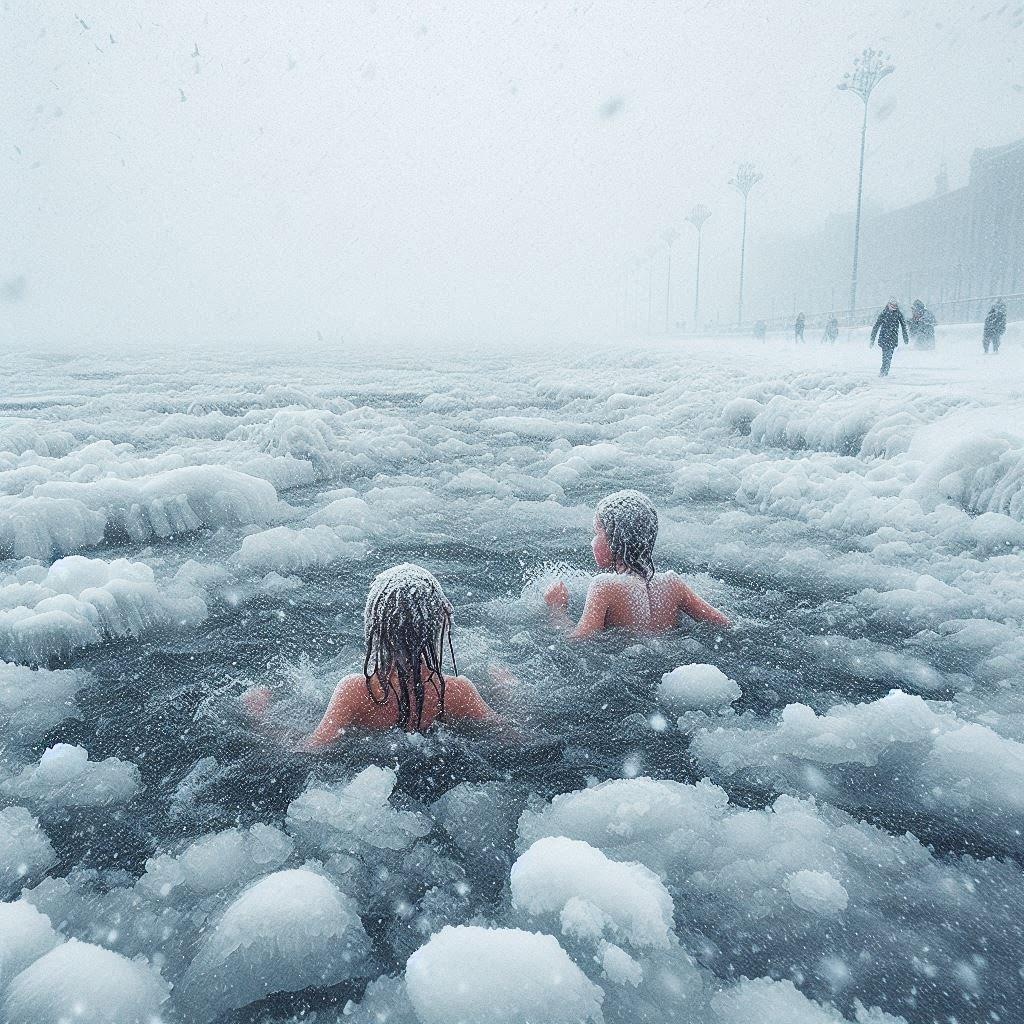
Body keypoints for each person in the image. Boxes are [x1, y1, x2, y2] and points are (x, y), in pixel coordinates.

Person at [245, 564, 495, 750]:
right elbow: (512, 737)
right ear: (436, 623)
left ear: (376, 625)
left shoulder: (355, 693)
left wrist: (259, 717)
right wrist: (510, 688)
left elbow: (309, 750)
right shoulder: (456, 692)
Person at [544, 490, 732, 639]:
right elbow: (719, 622)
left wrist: (557, 609)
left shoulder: (605, 586)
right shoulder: (673, 583)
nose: (592, 542)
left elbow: (581, 641)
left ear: (616, 540)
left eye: (596, 533)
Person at [870, 297, 909, 377]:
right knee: (885, 356)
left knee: (888, 356)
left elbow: (903, 326)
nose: (894, 306)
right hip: (884, 338)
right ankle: (883, 371)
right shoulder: (883, 313)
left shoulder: (898, 314)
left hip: (892, 339)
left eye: (895, 305)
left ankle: (884, 371)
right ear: (888, 304)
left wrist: (905, 337)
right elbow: (876, 326)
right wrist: (872, 339)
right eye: (892, 305)